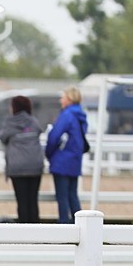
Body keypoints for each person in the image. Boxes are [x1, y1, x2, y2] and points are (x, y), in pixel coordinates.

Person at [0, 95, 45, 223]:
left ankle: (25, 233)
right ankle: (36, 233)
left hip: (18, 167)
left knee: (22, 202)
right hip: (35, 165)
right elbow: (39, 131)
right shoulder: (33, 121)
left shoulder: (10, 122)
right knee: (33, 201)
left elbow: (2, 136)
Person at [45, 86, 88, 224]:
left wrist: (49, 154)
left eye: (63, 97)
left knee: (62, 198)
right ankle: (81, 227)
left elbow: (54, 136)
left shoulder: (67, 115)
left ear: (69, 99)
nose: (60, 100)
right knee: (73, 196)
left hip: (62, 161)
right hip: (75, 161)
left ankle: (65, 228)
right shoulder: (80, 116)